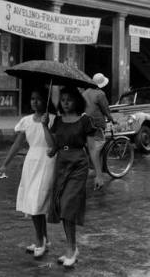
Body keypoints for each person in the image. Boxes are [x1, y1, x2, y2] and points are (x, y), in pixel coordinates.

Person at [42, 86, 103, 268]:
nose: (66, 103)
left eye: (69, 99)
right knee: (61, 206)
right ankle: (71, 247)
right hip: (61, 164)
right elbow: (52, 144)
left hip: (78, 164)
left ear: (77, 100)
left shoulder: (85, 121)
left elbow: (92, 148)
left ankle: (71, 249)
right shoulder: (58, 121)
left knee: (68, 205)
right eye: (63, 100)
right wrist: (45, 126)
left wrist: (99, 174)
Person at [0, 87, 56, 258]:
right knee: (32, 201)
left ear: (46, 101)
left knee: (37, 201)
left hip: (47, 161)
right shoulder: (27, 121)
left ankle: (40, 242)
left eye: (38, 99)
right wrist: (4, 164)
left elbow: (54, 144)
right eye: (32, 99)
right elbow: (17, 144)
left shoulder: (52, 119)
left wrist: (46, 126)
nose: (34, 102)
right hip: (31, 162)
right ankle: (44, 239)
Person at [81, 73, 112, 185]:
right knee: (99, 144)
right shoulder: (100, 94)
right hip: (96, 124)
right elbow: (106, 110)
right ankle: (96, 167)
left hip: (85, 122)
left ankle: (91, 165)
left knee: (89, 144)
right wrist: (112, 119)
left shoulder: (85, 92)